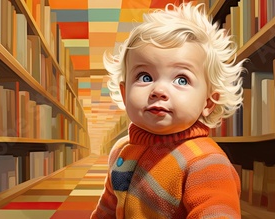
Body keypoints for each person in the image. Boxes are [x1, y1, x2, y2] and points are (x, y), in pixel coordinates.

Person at [91, 2, 245, 218]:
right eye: (145, 77)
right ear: (124, 93)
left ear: (208, 103)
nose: (159, 90)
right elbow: (107, 208)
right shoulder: (121, 150)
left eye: (181, 79)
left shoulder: (206, 163)